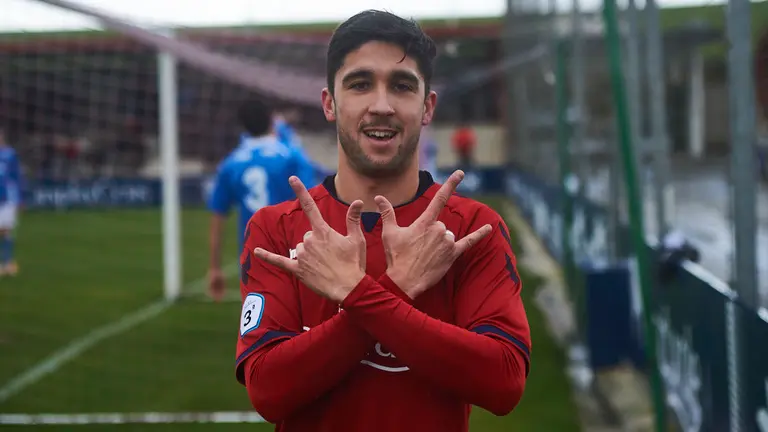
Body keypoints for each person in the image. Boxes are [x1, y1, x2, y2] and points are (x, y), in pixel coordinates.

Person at [235, 10, 530, 431]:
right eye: (359, 84)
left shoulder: (471, 228)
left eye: (402, 86)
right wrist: (399, 290)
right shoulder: (275, 228)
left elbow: (503, 383)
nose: (381, 105)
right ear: (329, 104)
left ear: (427, 107)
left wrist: (358, 295)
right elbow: (269, 391)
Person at [207, 99, 316, 301]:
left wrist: (215, 268)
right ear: (270, 121)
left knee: (259, 323)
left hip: (252, 252)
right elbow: (313, 201)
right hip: (292, 250)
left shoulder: (230, 163)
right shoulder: (291, 155)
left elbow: (217, 218)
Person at [0, 129, 22, 276]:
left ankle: (7, 263)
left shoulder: (10, 154)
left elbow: (17, 177)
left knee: (6, 230)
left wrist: (20, 198)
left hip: (7, 198)